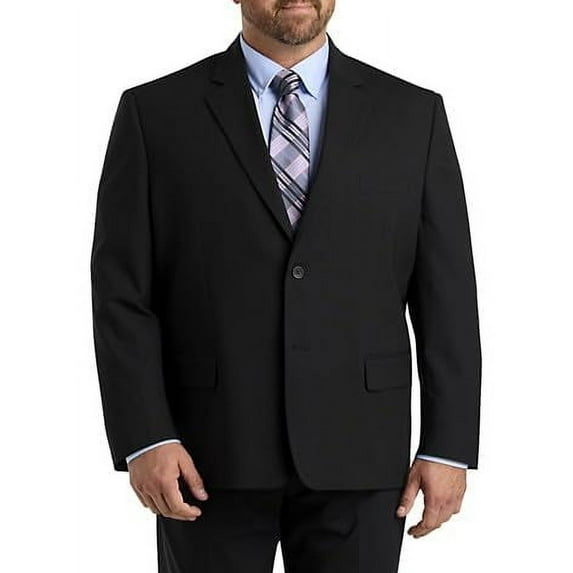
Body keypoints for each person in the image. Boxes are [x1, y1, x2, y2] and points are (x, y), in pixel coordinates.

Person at [90, 1, 482, 571]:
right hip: (205, 455)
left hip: (363, 454)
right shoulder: (155, 113)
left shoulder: (412, 114)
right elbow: (122, 293)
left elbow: (447, 294)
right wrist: (145, 436)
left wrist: (448, 444)